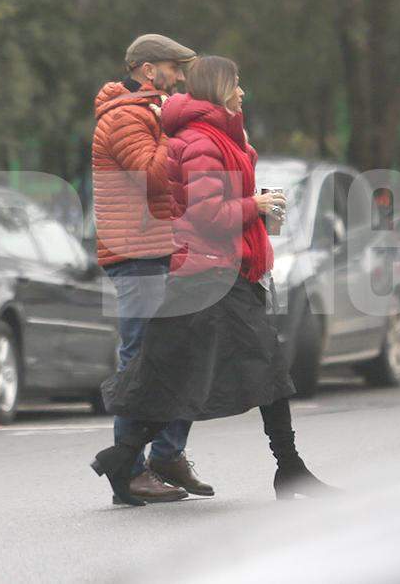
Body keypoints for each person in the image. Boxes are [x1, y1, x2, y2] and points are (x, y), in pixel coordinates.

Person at [92, 55, 336, 506]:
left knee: (177, 375)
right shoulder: (202, 141)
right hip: (211, 273)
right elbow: (207, 214)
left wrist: (249, 187)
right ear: (220, 86)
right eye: (236, 83)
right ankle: (290, 471)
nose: (242, 91)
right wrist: (254, 208)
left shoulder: (216, 135)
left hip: (218, 271)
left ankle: (122, 456)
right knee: (265, 371)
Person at [92, 34, 214, 503]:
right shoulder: (126, 116)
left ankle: (164, 455)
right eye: (173, 68)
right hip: (136, 253)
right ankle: (130, 469)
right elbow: (154, 173)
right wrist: (174, 129)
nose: (181, 77)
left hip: (161, 248)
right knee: (142, 359)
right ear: (147, 70)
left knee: (182, 354)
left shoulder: (148, 113)